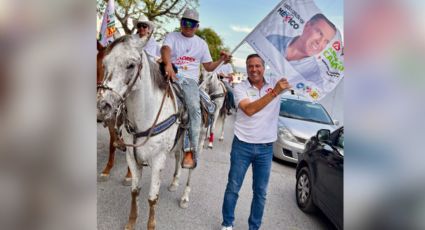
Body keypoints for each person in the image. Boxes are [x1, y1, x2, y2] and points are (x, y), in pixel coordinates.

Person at [221, 54, 291, 230]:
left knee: (260, 193)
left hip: (266, 148)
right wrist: (275, 92)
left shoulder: (276, 82)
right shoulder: (240, 87)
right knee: (233, 187)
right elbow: (250, 110)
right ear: (246, 68)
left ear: (264, 67)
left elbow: (298, 74)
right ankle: (227, 223)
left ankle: (254, 227)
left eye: (257, 66)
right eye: (250, 66)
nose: (254, 69)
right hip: (242, 145)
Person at [161, 8, 231, 169]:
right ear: (180, 23)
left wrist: (221, 60)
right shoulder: (172, 36)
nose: (188, 26)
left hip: (189, 81)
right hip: (169, 73)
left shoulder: (201, 44)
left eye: (192, 24)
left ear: (197, 26)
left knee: (194, 109)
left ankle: (190, 150)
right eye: (185, 22)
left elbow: (208, 66)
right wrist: (168, 64)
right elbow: (165, 50)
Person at [266, 13, 336, 88]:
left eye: (326, 41)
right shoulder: (272, 40)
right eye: (320, 33)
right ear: (307, 25)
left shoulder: (314, 76)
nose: (320, 42)